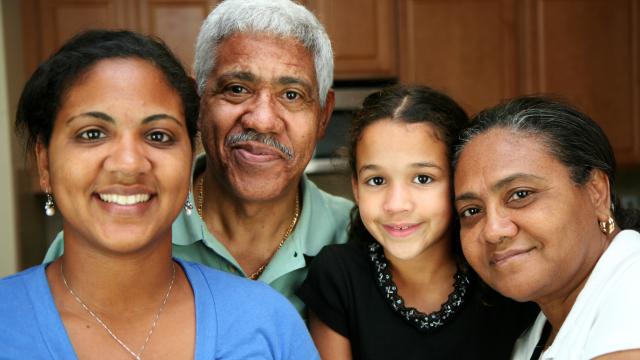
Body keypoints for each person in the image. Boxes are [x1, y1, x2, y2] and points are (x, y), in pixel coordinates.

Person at [1, 29, 318, 359]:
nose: (128, 164)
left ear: (189, 157)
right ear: (45, 163)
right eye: (92, 133)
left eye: (158, 135)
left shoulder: (267, 321)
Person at [44, 0, 352, 316]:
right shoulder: (108, 231)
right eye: (236, 89)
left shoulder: (363, 236)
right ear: (197, 103)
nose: (261, 121)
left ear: (323, 116)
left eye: (291, 95)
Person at [298, 85, 537, 359]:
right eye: (376, 181)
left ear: (459, 182)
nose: (396, 204)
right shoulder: (338, 276)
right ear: (355, 187)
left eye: (423, 178)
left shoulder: (502, 270)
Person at [453, 96, 640, 359]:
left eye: (520, 194)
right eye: (471, 211)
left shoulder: (633, 285)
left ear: (596, 192)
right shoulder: (535, 333)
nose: (493, 230)